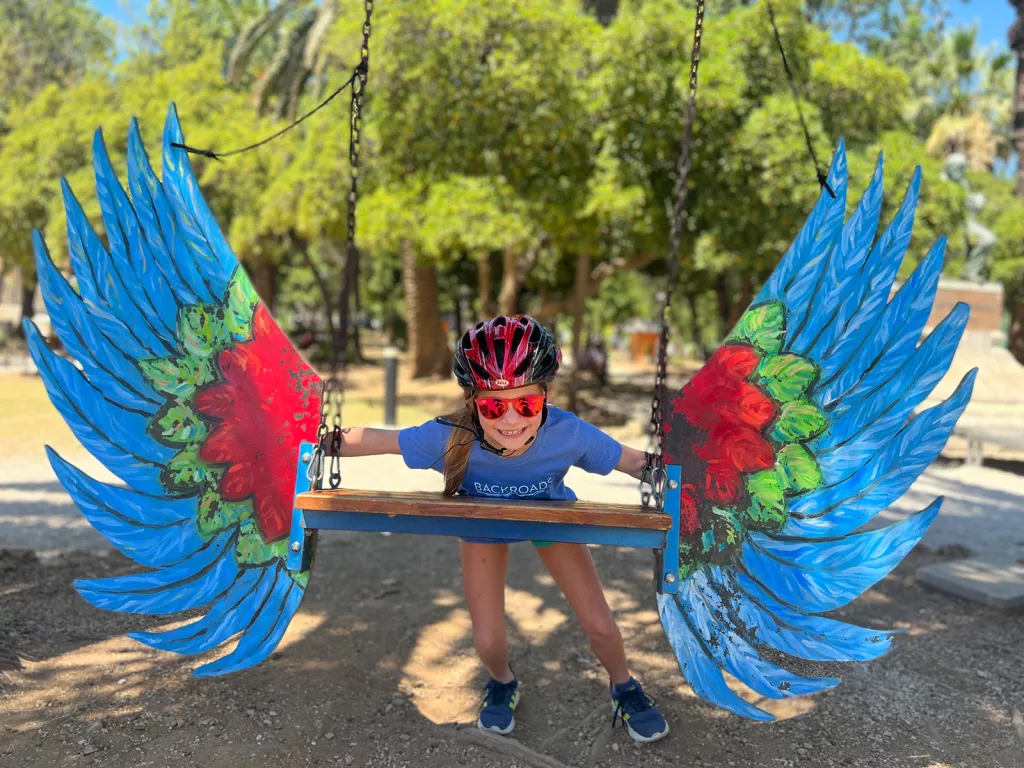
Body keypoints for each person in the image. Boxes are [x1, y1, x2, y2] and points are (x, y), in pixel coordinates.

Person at [328, 315, 669, 743]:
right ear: (474, 403)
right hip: (483, 524)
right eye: (493, 406)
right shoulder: (451, 435)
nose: (511, 419)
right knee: (488, 638)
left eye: (526, 404)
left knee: (600, 624)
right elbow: (377, 440)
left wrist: (689, 470)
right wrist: (316, 439)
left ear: (546, 396)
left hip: (550, 517)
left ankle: (624, 685)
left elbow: (637, 463)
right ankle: (503, 681)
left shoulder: (568, 433)